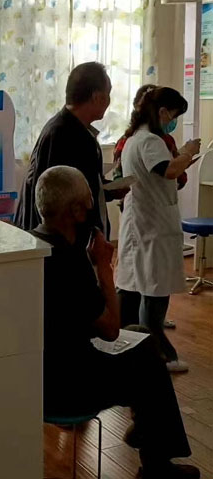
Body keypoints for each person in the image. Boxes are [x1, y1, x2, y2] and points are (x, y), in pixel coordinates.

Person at [31, 165, 198, 479]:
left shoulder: (34, 244)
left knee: (140, 334)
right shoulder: (68, 262)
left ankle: (146, 428)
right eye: (88, 204)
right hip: (68, 388)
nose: (92, 211)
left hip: (37, 377)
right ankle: (157, 467)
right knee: (149, 362)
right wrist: (104, 269)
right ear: (75, 211)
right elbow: (110, 329)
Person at [115, 87, 201, 373]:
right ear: (163, 111)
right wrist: (188, 152)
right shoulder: (150, 140)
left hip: (143, 223)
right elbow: (169, 170)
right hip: (151, 227)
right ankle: (162, 355)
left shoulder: (135, 139)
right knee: (152, 292)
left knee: (138, 289)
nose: (173, 122)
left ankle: (137, 351)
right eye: (174, 115)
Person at [15, 61, 126, 238]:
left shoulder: (75, 130)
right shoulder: (63, 134)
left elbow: (80, 186)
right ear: (97, 97)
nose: (109, 102)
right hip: (65, 242)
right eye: (108, 94)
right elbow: (58, 199)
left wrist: (108, 190)